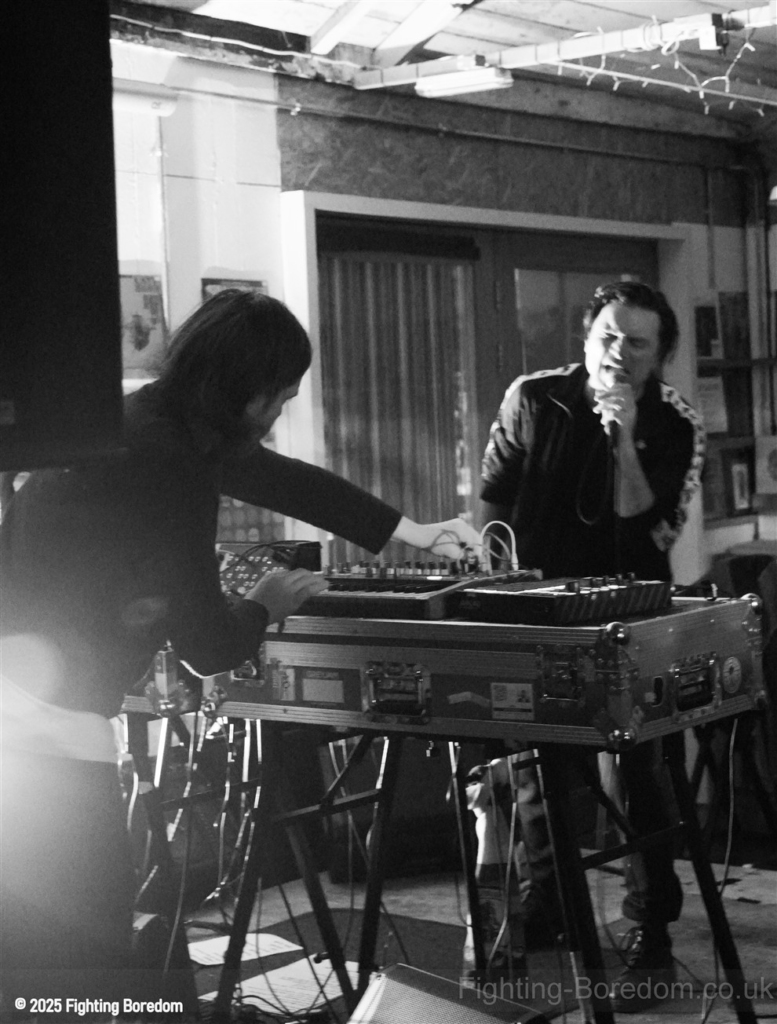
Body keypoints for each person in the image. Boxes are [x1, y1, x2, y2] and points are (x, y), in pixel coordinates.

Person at [0, 289, 482, 1017]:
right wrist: (266, 602)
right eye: (280, 398)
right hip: (51, 734)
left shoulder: (142, 418)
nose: (280, 412)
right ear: (246, 392)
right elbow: (208, 646)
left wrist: (412, 532)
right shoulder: (171, 462)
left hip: (24, 706)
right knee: (82, 964)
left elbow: (275, 476)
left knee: (48, 950)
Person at [479, 281, 705, 1012]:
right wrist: (493, 583)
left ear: (658, 355)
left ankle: (650, 931)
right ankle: (548, 903)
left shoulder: (675, 421)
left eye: (636, 343)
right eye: (608, 336)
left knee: (640, 774)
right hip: (538, 610)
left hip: (631, 617)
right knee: (535, 766)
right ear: (585, 337)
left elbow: (646, 521)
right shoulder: (533, 398)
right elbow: (493, 500)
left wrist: (625, 434)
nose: (618, 352)